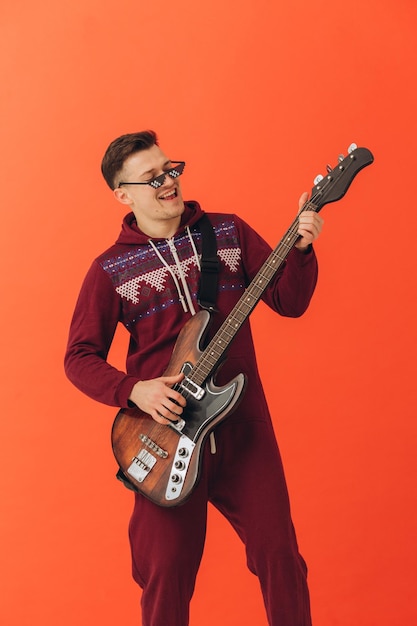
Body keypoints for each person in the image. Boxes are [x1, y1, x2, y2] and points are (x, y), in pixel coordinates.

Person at [64, 130, 323, 626]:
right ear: (122, 193)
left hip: (244, 430)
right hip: (165, 439)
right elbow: (78, 357)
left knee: (281, 558)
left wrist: (303, 250)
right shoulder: (111, 269)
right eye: (152, 177)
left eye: (171, 170)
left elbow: (289, 301)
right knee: (165, 575)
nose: (168, 182)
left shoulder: (226, 233)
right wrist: (134, 390)